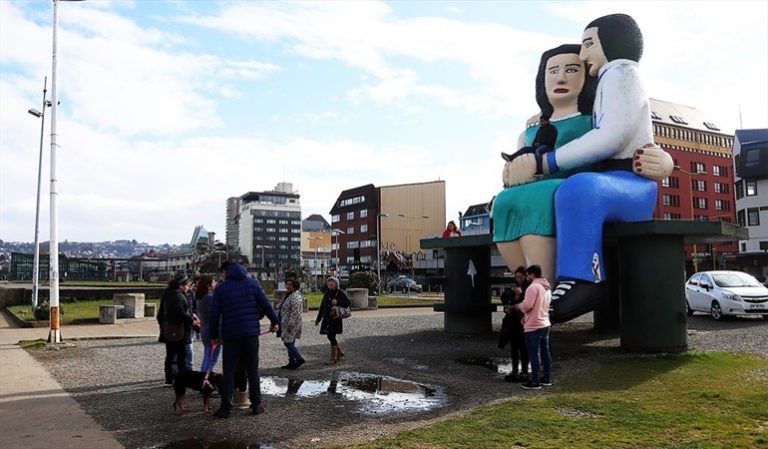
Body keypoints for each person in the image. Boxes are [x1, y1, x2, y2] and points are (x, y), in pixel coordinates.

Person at [498, 16, 674, 315]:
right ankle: (532, 288)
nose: (583, 54)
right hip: (604, 183)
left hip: (621, 182)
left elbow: (613, 135)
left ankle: (581, 279)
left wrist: (547, 162)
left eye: (588, 45)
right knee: (509, 200)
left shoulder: (620, 77)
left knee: (578, 188)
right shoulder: (610, 81)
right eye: (553, 71)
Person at [209, 262, 279, 418]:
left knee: (229, 371)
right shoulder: (252, 284)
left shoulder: (221, 288)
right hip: (250, 333)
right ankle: (256, 405)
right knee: (252, 370)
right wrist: (275, 322)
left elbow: (214, 314)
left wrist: (213, 336)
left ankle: (225, 408)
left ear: (226, 272)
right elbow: (266, 304)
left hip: (231, 334)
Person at [158, 274, 198, 386]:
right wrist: (192, 321)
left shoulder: (169, 294)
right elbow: (181, 314)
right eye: (187, 285)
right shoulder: (177, 296)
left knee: (170, 355)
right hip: (179, 329)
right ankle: (181, 379)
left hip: (169, 329)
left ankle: (169, 378)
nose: (188, 288)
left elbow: (161, 314)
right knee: (181, 356)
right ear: (181, 286)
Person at [517, 265, 552, 390]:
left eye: (527, 275)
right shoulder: (546, 287)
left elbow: (528, 305)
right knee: (545, 352)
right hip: (545, 323)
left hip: (533, 325)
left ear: (532, 275)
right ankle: (546, 378)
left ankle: (535, 381)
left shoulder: (533, 287)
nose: (526, 278)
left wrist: (519, 306)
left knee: (534, 353)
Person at [499, 266, 530, 382]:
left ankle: (525, 371)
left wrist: (521, 294)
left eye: (520, 277)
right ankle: (515, 370)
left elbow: (529, 303)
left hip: (523, 322)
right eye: (517, 277)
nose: (518, 279)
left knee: (524, 347)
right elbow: (505, 298)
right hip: (513, 321)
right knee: (514, 347)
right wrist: (507, 306)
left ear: (525, 277)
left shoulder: (529, 289)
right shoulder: (513, 289)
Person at [315, 276, 351, 365]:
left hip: (335, 318)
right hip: (327, 319)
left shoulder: (340, 292)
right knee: (329, 336)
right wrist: (318, 319)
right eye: (329, 282)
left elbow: (347, 303)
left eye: (332, 282)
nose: (330, 283)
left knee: (331, 336)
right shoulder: (326, 293)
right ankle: (339, 352)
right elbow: (322, 307)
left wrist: (337, 302)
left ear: (336, 283)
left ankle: (333, 358)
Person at [276, 279, 306, 369]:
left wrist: (290, 324)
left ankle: (299, 358)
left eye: (290, 284)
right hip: (285, 322)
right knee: (290, 341)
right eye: (287, 284)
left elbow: (295, 312)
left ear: (295, 286)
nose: (287, 286)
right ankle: (291, 362)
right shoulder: (289, 295)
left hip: (291, 324)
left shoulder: (296, 296)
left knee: (287, 342)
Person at [195, 275, 220, 373]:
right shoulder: (209, 298)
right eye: (213, 282)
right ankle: (205, 377)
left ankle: (204, 376)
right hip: (211, 331)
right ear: (208, 285)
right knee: (211, 358)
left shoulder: (201, 297)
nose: (215, 284)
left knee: (208, 356)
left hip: (205, 330)